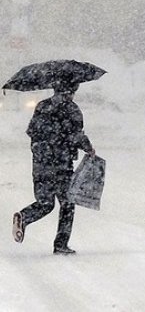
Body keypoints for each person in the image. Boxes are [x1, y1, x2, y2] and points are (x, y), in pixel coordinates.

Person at [12, 79, 95, 255]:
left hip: (41, 163)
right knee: (67, 204)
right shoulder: (72, 109)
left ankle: (24, 216)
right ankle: (61, 244)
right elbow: (76, 136)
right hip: (61, 164)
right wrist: (88, 148)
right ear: (71, 91)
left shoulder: (42, 106)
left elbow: (31, 131)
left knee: (45, 203)